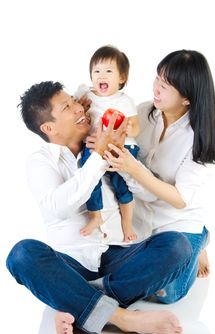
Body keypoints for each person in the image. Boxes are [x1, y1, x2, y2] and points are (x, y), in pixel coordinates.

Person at [6, 81, 193, 334]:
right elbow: (59, 207)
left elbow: (149, 195)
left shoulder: (103, 141)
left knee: (178, 246)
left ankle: (76, 301)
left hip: (116, 256)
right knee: (22, 254)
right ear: (49, 128)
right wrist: (98, 157)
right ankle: (123, 319)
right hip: (71, 263)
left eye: (74, 100)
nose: (78, 108)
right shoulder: (41, 161)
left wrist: (122, 159)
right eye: (67, 106)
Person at [103, 49, 215, 302]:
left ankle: (199, 238)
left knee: (166, 293)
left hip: (178, 221)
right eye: (157, 79)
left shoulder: (202, 136)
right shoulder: (142, 113)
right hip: (140, 219)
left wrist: (134, 168)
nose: (156, 89)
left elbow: (181, 199)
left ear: (187, 99)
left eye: (166, 86)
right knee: (108, 264)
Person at [75, 45, 140, 242]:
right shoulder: (86, 94)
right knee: (88, 174)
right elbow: (72, 107)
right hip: (95, 146)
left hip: (122, 146)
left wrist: (130, 130)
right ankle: (96, 216)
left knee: (121, 184)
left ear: (121, 78)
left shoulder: (124, 100)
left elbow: (136, 126)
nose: (101, 76)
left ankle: (127, 223)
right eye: (96, 71)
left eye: (108, 71)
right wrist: (80, 103)